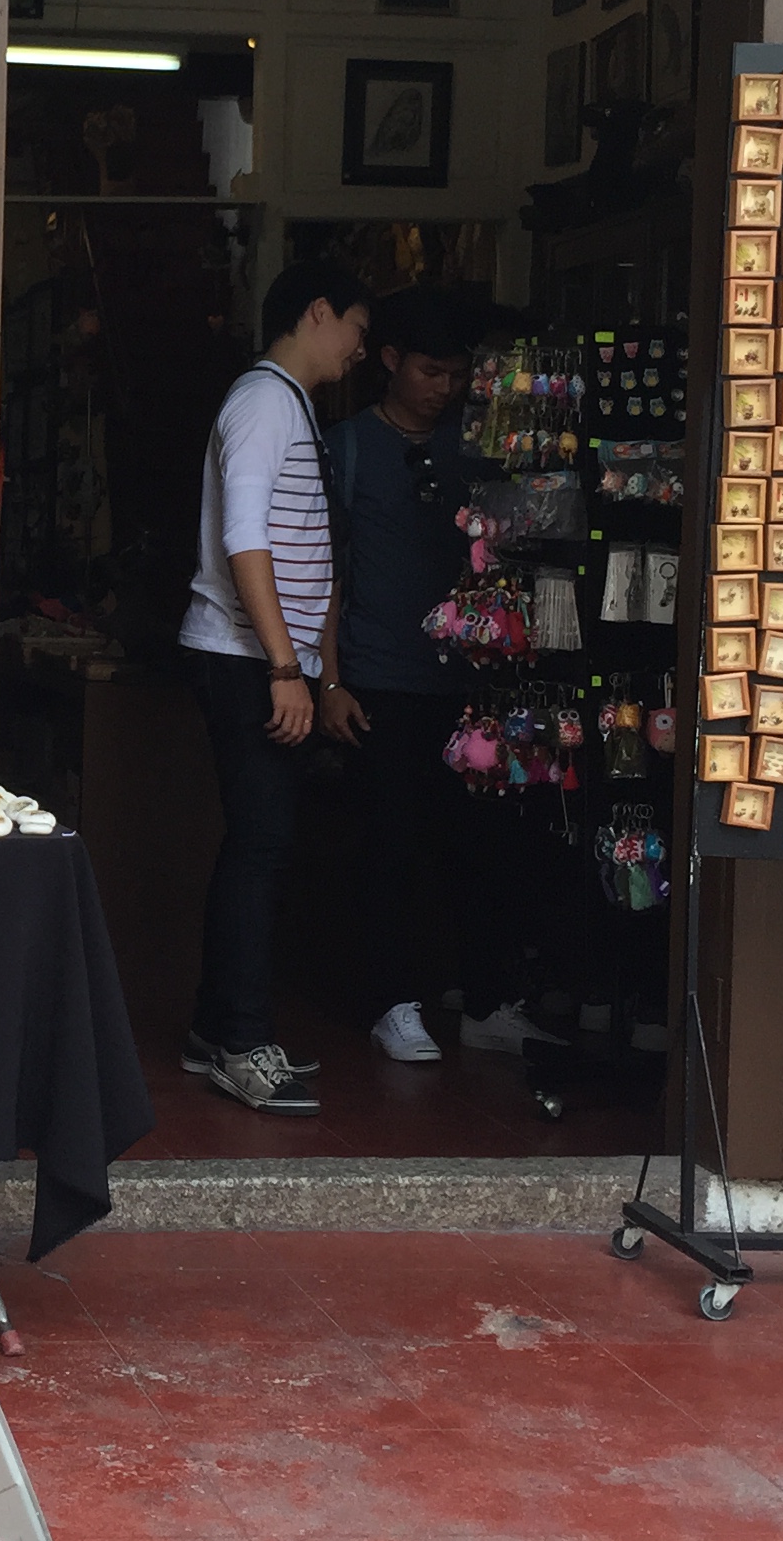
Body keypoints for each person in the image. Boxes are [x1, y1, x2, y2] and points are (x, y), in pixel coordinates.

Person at [318, 290, 546, 1061]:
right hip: (379, 679)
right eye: (429, 372)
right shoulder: (346, 448)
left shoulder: (474, 449)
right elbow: (326, 574)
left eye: (455, 374)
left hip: (470, 685)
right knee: (390, 847)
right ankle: (393, 1001)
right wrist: (330, 681)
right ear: (389, 361)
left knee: (481, 848)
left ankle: (484, 1001)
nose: (443, 388)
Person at [179, 261, 371, 1114]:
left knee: (261, 845)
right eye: (358, 329)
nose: (360, 350)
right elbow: (246, 542)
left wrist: (322, 672)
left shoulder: (291, 404)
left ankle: (214, 1029)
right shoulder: (263, 402)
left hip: (270, 658)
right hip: (244, 657)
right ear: (318, 312)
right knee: (260, 847)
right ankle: (241, 1043)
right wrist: (286, 668)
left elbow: (314, 557)